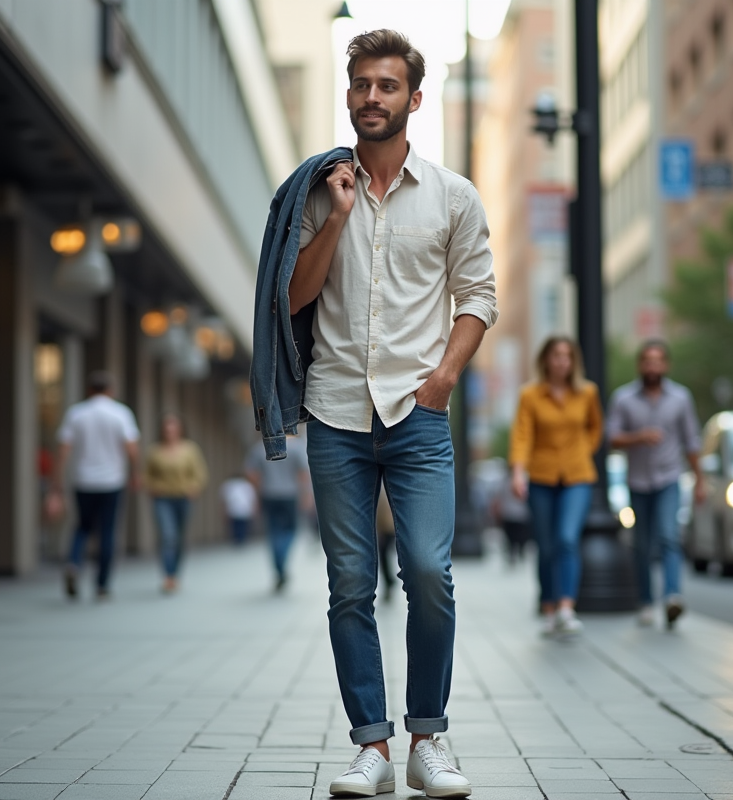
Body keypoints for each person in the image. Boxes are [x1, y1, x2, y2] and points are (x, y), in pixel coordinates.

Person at [288, 29, 497, 799]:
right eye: (361, 85)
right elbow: (294, 297)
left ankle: (427, 740)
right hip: (336, 410)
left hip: (417, 413)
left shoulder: (453, 196)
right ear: (348, 95)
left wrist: (444, 378)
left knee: (430, 575)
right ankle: (371, 747)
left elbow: (478, 297)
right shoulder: (317, 192)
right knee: (350, 584)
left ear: (414, 98)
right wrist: (337, 216)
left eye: (386, 85)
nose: (372, 97)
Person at [605, 339, 705, 630]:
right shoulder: (623, 399)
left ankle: (672, 596)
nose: (652, 366)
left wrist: (700, 480)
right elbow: (611, 438)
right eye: (647, 361)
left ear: (666, 365)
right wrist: (639, 436)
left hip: (668, 479)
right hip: (638, 482)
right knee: (642, 545)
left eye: (658, 361)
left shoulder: (681, 398)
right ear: (640, 365)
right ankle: (646, 601)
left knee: (669, 536)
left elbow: (692, 441)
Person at [508, 336, 603, 638]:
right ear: (546, 360)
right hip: (541, 477)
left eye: (567, 356)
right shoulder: (531, 395)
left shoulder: (587, 392)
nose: (562, 361)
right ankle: (548, 607)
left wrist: (584, 451)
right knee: (546, 545)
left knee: (566, 538)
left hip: (578, 476)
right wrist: (518, 473)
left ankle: (566, 608)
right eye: (556, 355)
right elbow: (522, 435)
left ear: (573, 361)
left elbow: (595, 427)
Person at [49, 371, 140, 600]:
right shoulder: (121, 413)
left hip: (83, 481)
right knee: (107, 531)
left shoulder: (76, 413)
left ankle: (73, 563)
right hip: (112, 481)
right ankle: (102, 584)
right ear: (111, 390)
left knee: (82, 526)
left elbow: (63, 451)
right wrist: (135, 473)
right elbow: (131, 448)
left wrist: (57, 483)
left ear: (89, 390)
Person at [145, 413, 208, 594]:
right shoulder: (154, 451)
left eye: (173, 429)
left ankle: (175, 572)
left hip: (183, 498)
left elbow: (200, 472)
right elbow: (147, 475)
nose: (170, 432)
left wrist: (194, 487)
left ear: (180, 430)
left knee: (179, 538)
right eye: (167, 429)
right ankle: (168, 575)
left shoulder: (190, 449)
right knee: (168, 535)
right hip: (162, 498)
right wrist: (152, 487)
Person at [245, 433, 311, 592]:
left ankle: (278, 567)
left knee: (273, 532)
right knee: (290, 530)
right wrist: (306, 494)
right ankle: (282, 560)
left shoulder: (260, 447)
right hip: (290, 495)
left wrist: (258, 491)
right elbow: (303, 473)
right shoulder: (296, 447)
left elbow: (251, 473)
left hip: (268, 494)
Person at [219, 472, 258, 546]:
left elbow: (224, 499)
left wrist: (224, 510)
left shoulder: (228, 484)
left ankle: (237, 540)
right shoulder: (247, 485)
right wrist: (254, 509)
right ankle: (241, 540)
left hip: (233, 509)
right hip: (245, 509)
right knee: (242, 526)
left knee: (235, 526)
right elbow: (252, 498)